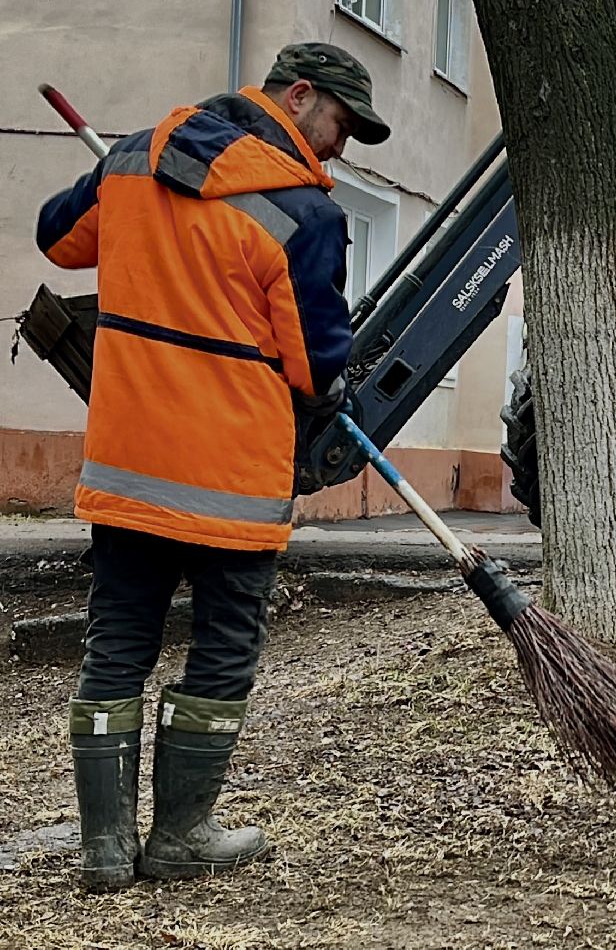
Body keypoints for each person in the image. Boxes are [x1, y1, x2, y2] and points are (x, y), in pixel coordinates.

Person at [37, 43, 388, 890]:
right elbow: (313, 364)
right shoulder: (305, 214)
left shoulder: (133, 158)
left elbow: (58, 239)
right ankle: (180, 838)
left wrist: (133, 193)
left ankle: (103, 850)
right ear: (299, 98)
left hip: (128, 471)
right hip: (231, 479)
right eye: (341, 124)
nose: (341, 146)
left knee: (117, 642)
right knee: (223, 650)